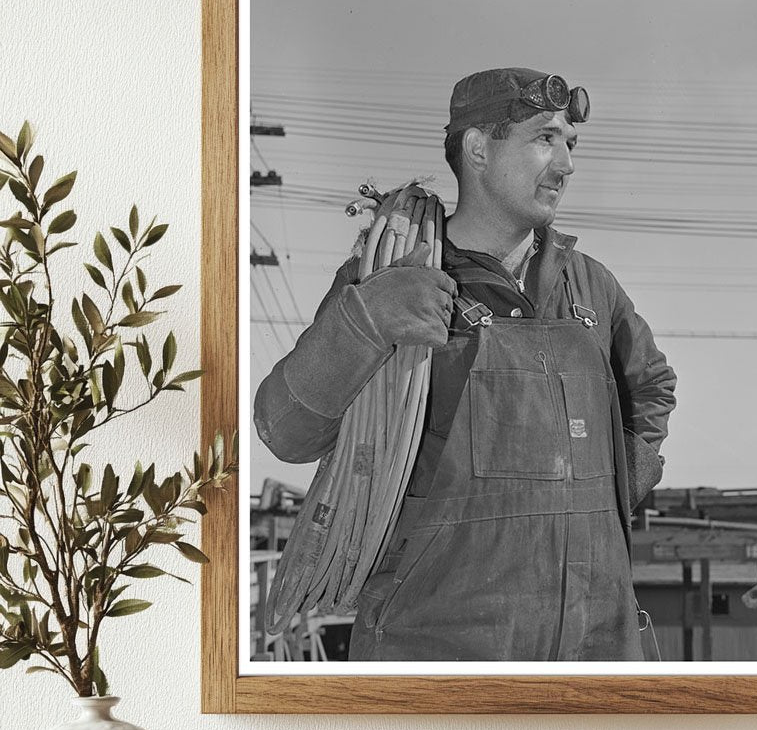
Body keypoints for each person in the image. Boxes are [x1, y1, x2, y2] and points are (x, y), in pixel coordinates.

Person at [254, 67, 676, 661]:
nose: (566, 164)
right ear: (478, 148)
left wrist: (605, 504)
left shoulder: (590, 288)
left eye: (569, 143)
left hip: (593, 649)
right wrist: (365, 322)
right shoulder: (393, 278)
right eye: (544, 139)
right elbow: (285, 429)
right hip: (439, 653)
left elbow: (651, 387)